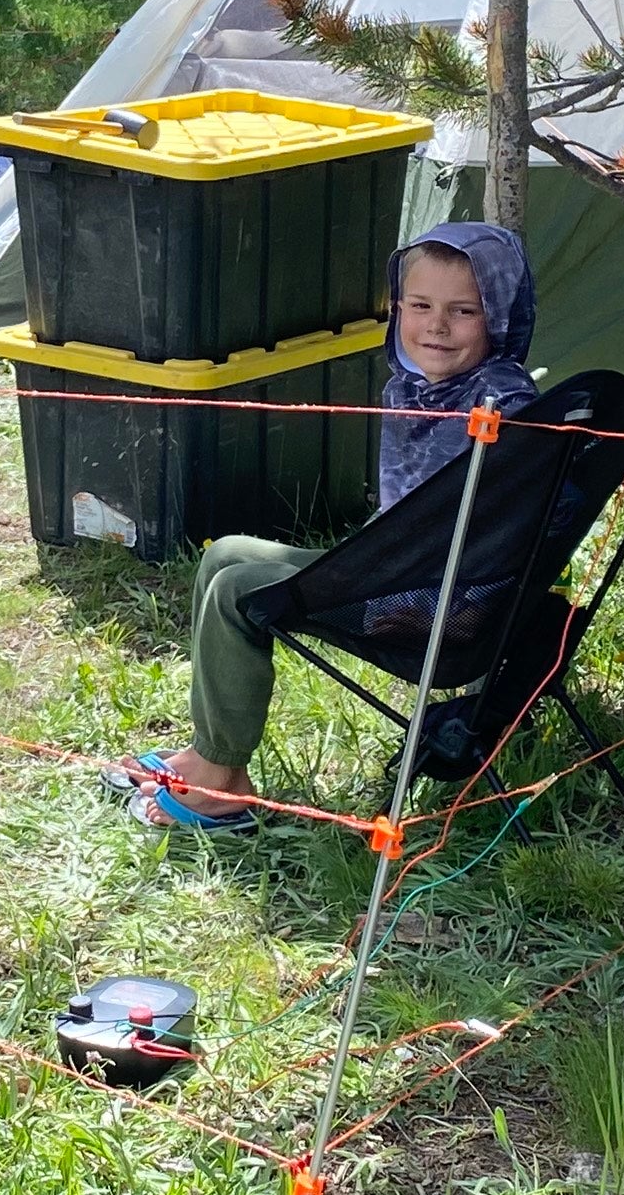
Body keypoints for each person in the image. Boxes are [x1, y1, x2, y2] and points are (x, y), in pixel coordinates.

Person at [122, 222, 537, 833]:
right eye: (418, 306)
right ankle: (211, 750)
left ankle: (220, 778)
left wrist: (366, 567)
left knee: (239, 589)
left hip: (438, 602)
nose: (436, 326)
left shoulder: (500, 406)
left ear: (499, 318)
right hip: (400, 570)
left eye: (463, 311)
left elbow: (464, 531)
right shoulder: (420, 386)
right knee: (225, 556)